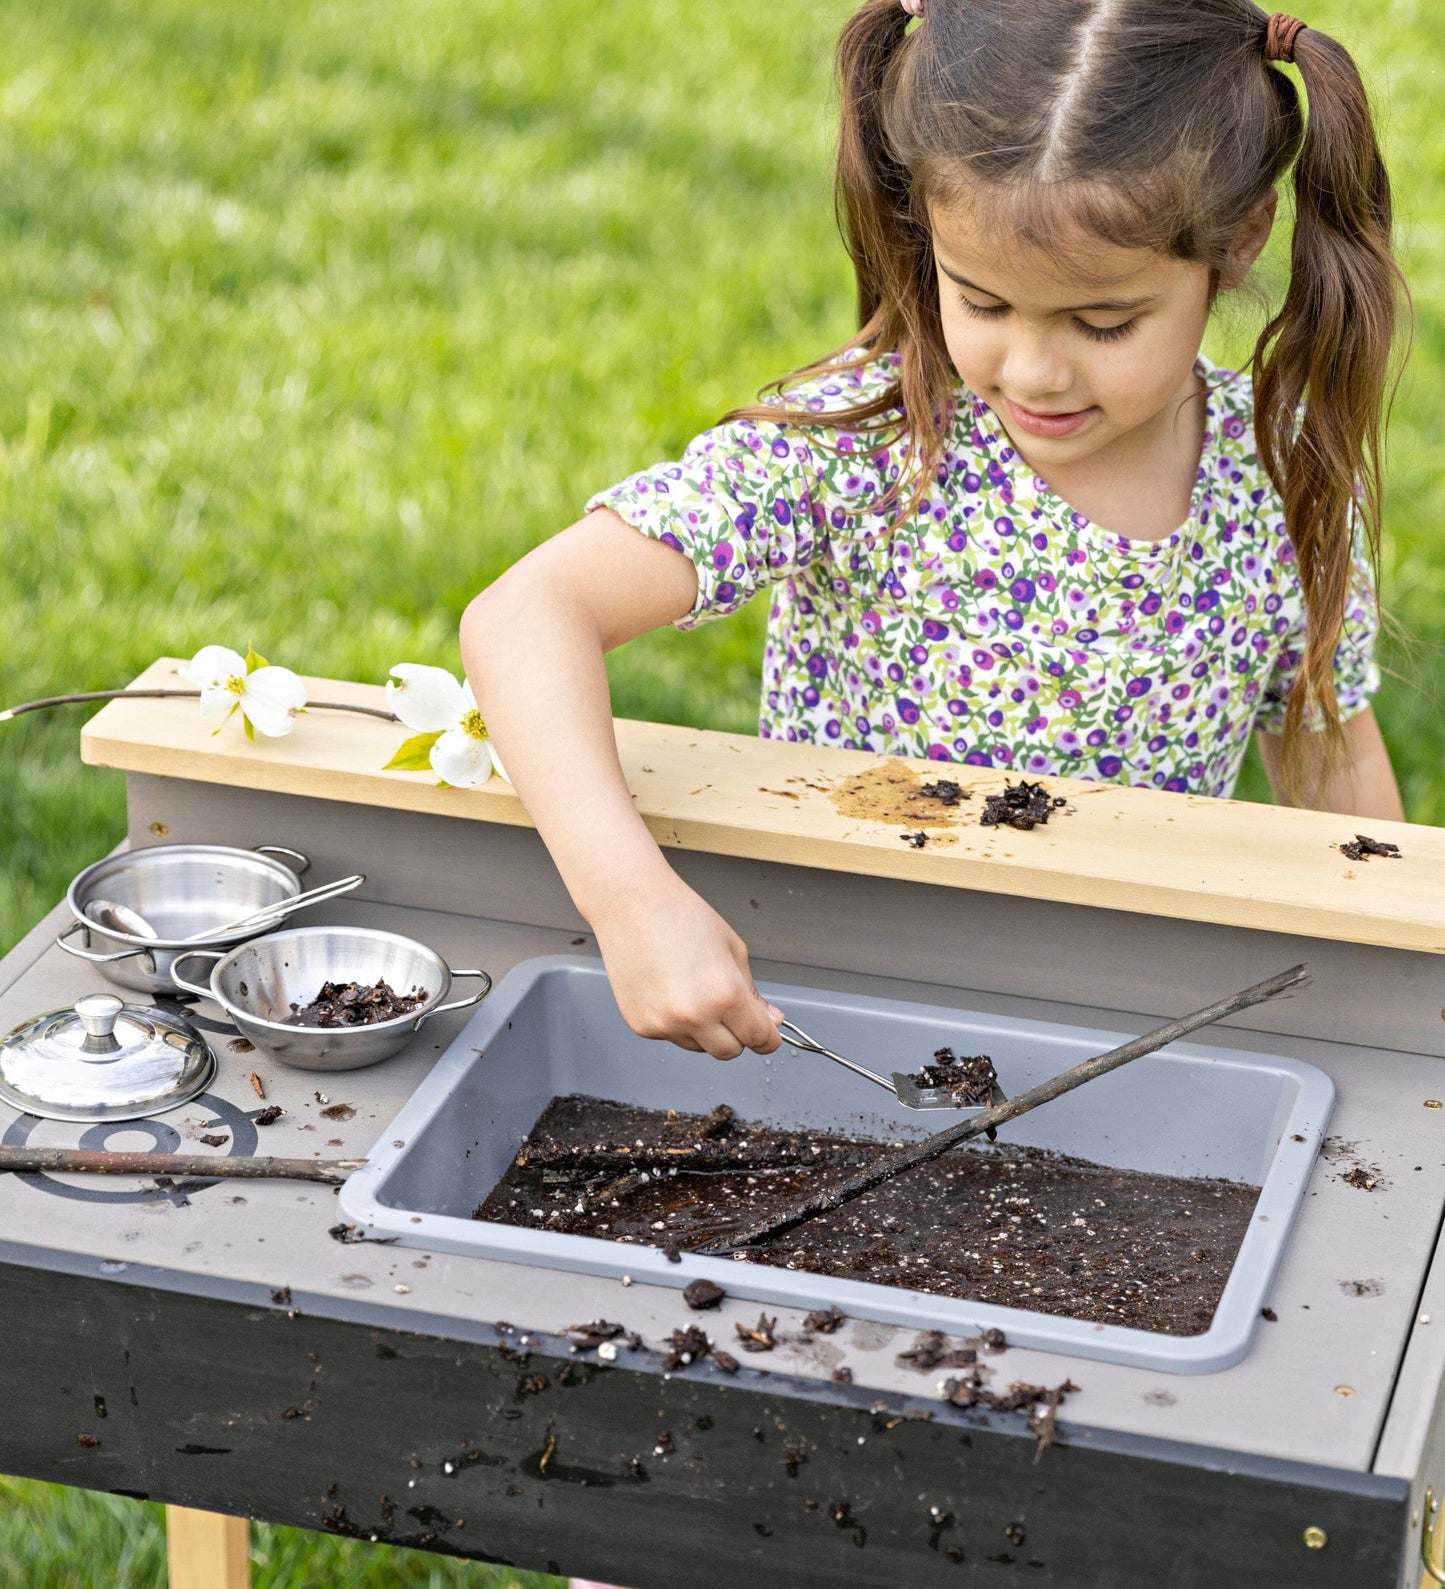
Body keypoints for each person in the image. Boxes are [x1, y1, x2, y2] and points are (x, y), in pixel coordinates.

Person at [461, 0, 1407, 1072]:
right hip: (841, 1019)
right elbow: (525, 615)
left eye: (1103, 323)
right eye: (982, 301)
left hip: (1139, 1024)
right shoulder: (866, 443)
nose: (1033, 371)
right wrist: (630, 900)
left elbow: (1323, 745)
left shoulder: (1270, 465)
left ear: (1237, 242)